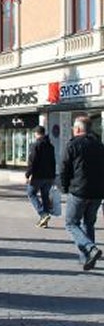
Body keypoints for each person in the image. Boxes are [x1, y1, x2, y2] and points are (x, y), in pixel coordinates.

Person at [60, 116, 104, 271]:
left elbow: (64, 168)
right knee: (88, 223)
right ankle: (87, 258)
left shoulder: (73, 145)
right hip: (98, 192)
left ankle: (90, 249)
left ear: (78, 129)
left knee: (71, 223)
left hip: (79, 191)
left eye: (74, 127)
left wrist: (64, 188)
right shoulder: (100, 145)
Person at [25, 126, 56, 228]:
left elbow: (32, 161)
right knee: (45, 196)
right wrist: (53, 175)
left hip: (38, 176)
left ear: (36, 133)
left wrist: (28, 174)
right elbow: (53, 162)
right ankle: (44, 221)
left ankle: (43, 214)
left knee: (31, 193)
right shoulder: (50, 146)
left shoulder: (35, 145)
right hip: (49, 176)